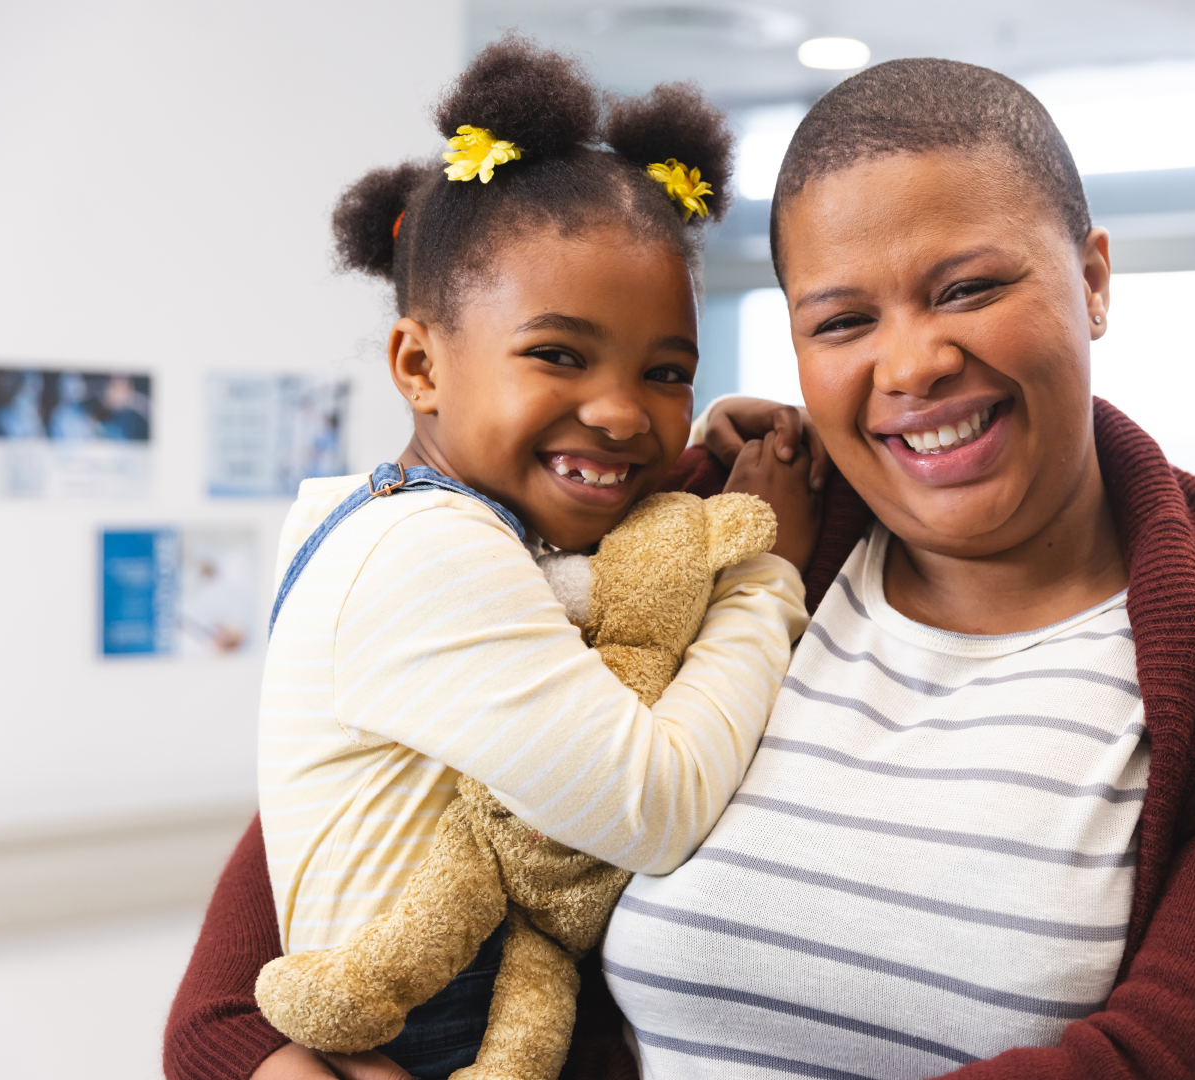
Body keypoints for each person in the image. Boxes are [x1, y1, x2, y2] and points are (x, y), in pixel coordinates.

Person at [167, 57, 1195, 1080]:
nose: (914, 361)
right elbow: (259, 960)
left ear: (1092, 280)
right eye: (842, 319)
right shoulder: (710, 534)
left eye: (970, 287)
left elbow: (1189, 1063)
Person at [218, 38, 817, 1080]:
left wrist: (702, 466)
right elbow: (657, 805)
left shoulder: (421, 523)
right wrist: (768, 574)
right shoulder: (423, 555)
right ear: (419, 363)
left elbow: (579, 596)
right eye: (558, 353)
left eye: (666, 370)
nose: (623, 411)